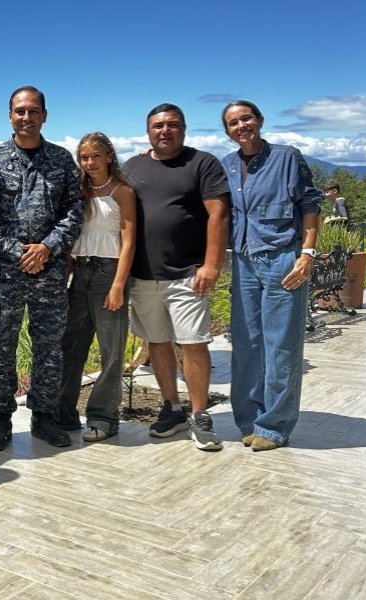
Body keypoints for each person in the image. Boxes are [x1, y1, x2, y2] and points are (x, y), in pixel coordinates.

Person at [0, 86, 84, 450]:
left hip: (50, 271)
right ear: (10, 115)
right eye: (20, 111)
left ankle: (44, 418)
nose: (26, 117)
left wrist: (47, 248)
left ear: (44, 115)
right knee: (2, 345)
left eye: (33, 111)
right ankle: (1, 420)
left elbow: (74, 212)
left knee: (49, 347)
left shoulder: (61, 160)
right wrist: (18, 252)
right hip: (7, 272)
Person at [123, 103, 229, 452]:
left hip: (187, 274)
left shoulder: (202, 163)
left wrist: (211, 265)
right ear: (147, 131)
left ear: (183, 129)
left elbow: (219, 214)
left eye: (172, 125)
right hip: (142, 276)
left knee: (193, 344)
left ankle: (200, 414)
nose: (164, 131)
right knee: (157, 342)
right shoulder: (133, 166)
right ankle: (172, 408)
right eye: (158, 126)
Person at [221, 100, 322, 451]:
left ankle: (274, 426)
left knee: (281, 345)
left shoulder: (287, 157)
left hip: (282, 259)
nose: (241, 126)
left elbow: (310, 205)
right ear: (228, 131)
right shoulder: (228, 166)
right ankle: (248, 420)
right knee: (246, 344)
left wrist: (306, 254)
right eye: (233, 123)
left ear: (259, 120)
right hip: (244, 261)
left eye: (246, 118)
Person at [55, 132, 136, 442]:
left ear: (109, 157)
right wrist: (65, 280)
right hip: (81, 272)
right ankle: (62, 414)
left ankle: (103, 417)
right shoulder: (78, 193)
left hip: (108, 273)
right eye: (84, 157)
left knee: (111, 351)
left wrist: (118, 285)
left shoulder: (122, 192)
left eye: (95, 156)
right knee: (70, 347)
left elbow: (129, 241)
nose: (89, 162)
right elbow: (71, 241)